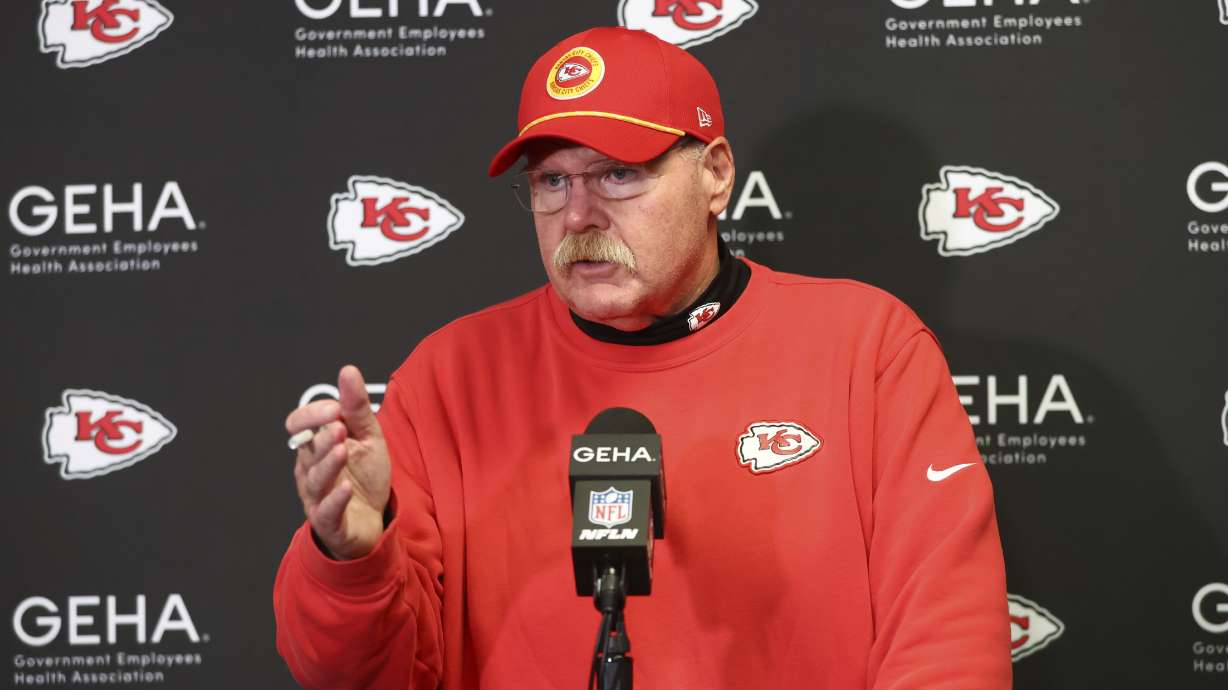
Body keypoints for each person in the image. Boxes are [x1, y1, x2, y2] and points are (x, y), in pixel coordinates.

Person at [274, 26, 1011, 690]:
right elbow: (366, 678)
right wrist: (351, 562)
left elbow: (948, 647)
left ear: (716, 174)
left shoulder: (868, 348)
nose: (579, 215)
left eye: (618, 174)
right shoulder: (449, 378)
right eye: (551, 181)